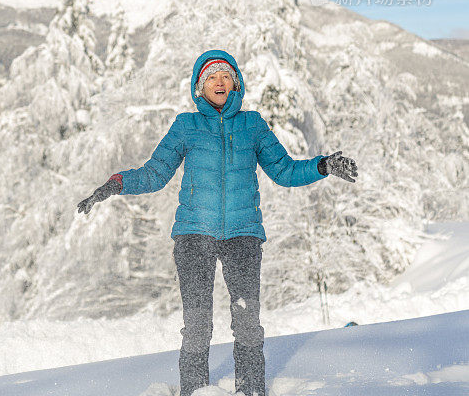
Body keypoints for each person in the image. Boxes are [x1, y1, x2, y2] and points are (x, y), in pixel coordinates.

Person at [77, 50, 358, 396]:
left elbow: (283, 170)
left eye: (226, 75)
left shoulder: (252, 125)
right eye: (212, 77)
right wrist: (117, 184)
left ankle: (252, 391)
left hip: (243, 235)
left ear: (236, 83)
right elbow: (156, 172)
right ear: (200, 88)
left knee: (247, 324)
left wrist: (323, 166)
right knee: (196, 326)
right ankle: (194, 391)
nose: (220, 82)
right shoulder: (186, 126)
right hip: (194, 235)